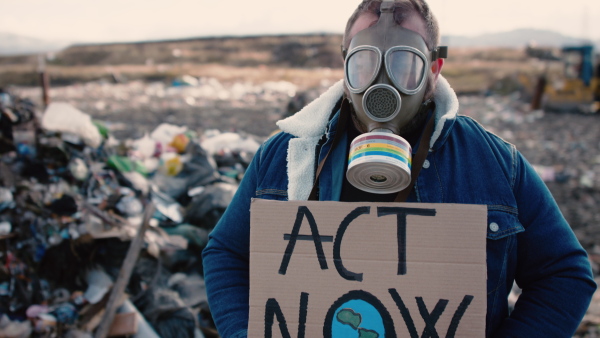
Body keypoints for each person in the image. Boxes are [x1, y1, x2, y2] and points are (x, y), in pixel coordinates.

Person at [202, 0, 596, 337]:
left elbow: (565, 274)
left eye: (405, 65)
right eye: (364, 64)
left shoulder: (494, 164)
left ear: (434, 70)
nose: (381, 86)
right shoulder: (284, 157)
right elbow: (225, 253)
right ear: (345, 68)